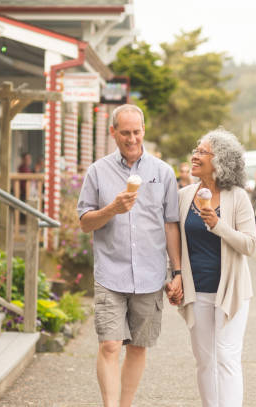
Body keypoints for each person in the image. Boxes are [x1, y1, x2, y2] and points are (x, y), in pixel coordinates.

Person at [77, 104, 182, 407]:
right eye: (125, 133)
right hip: (111, 273)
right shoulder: (98, 171)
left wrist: (176, 272)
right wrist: (112, 209)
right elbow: (85, 223)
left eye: (137, 132)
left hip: (150, 275)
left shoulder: (162, 173)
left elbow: (170, 224)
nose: (132, 139)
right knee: (110, 345)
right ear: (113, 133)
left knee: (138, 346)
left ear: (144, 130)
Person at [175, 128, 256, 407]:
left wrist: (218, 224)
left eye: (202, 152)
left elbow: (250, 245)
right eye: (196, 150)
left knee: (226, 356)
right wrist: (174, 276)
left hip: (231, 291)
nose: (194, 156)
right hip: (197, 290)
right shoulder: (184, 196)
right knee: (204, 360)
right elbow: (175, 242)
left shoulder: (238, 197)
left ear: (219, 160)